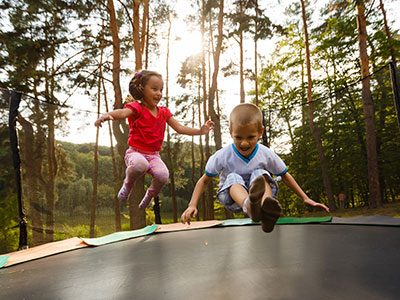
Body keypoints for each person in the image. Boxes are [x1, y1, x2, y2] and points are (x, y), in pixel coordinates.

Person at [181, 103, 329, 232]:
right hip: (233, 197)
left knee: (261, 174)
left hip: (259, 193)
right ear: (231, 132)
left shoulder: (266, 154)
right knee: (233, 177)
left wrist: (305, 198)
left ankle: (264, 209)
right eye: (238, 137)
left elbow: (285, 176)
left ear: (260, 133)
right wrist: (192, 205)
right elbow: (204, 180)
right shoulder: (223, 155)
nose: (244, 143)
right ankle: (250, 206)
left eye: (250, 137)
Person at [95, 70, 214, 209]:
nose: (158, 93)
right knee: (140, 165)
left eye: (161, 90)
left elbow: (180, 128)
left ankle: (149, 196)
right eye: (154, 89)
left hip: (154, 155)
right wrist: (108, 115)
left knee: (163, 176)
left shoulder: (163, 112)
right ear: (141, 89)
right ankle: (127, 185)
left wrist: (201, 131)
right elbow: (122, 112)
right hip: (135, 152)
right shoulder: (137, 108)